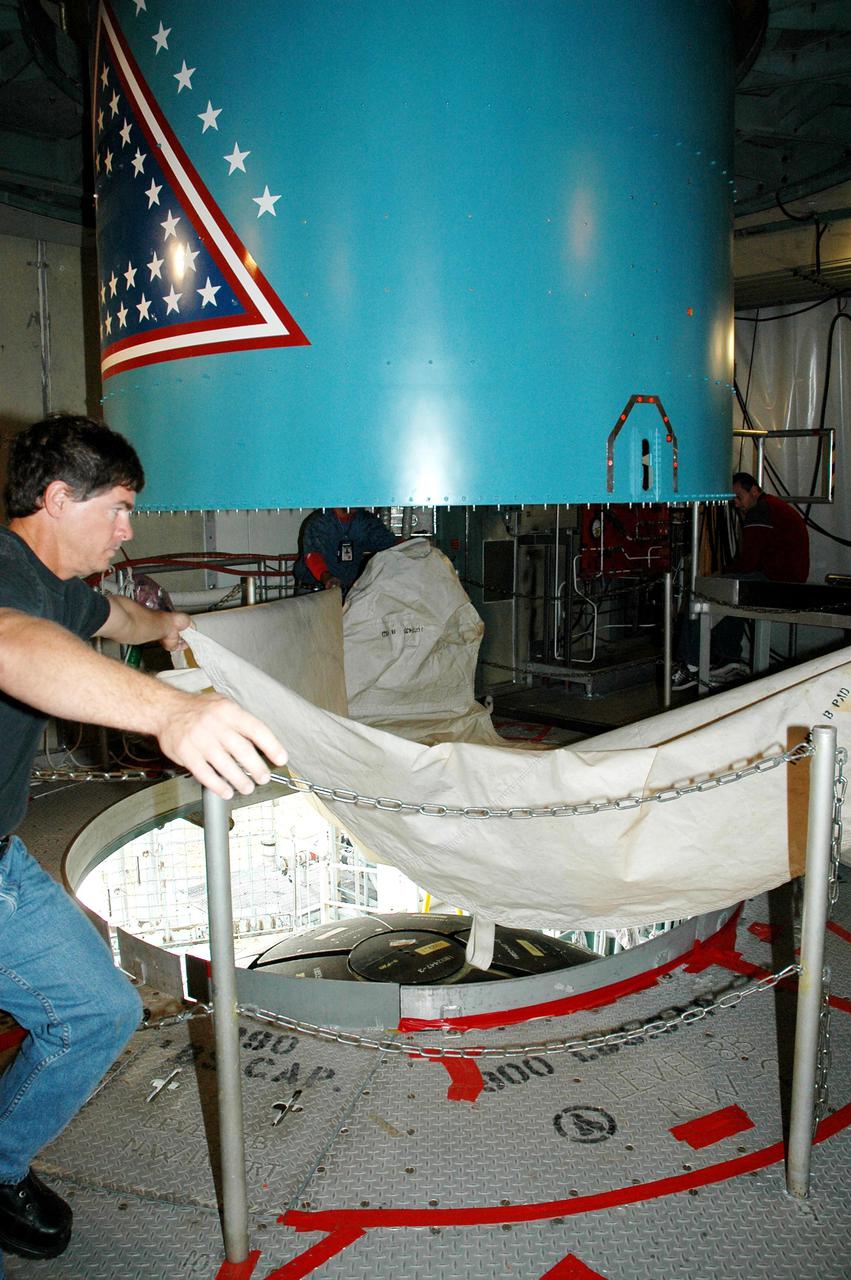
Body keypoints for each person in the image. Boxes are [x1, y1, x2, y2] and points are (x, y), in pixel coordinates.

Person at [0, 414, 287, 1263]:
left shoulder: (57, 584)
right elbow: (13, 644)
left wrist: (167, 629)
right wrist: (172, 712)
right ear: (59, 499)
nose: (128, 530)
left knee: (99, 1010)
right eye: (119, 508)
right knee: (91, 1010)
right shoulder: (5, 574)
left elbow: (115, 616)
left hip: (4, 854)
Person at [672, 472, 809, 690]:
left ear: (754, 491)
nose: (735, 503)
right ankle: (728, 659)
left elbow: (747, 562)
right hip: (786, 579)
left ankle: (691, 664)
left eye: (739, 497)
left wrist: (718, 574)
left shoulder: (760, 512)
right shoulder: (773, 507)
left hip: (777, 581)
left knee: (703, 591)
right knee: (730, 594)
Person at [292, 507, 396, 599]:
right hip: (315, 592)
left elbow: (389, 544)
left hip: (348, 592)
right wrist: (326, 577)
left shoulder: (365, 521)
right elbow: (313, 556)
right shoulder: (320, 521)